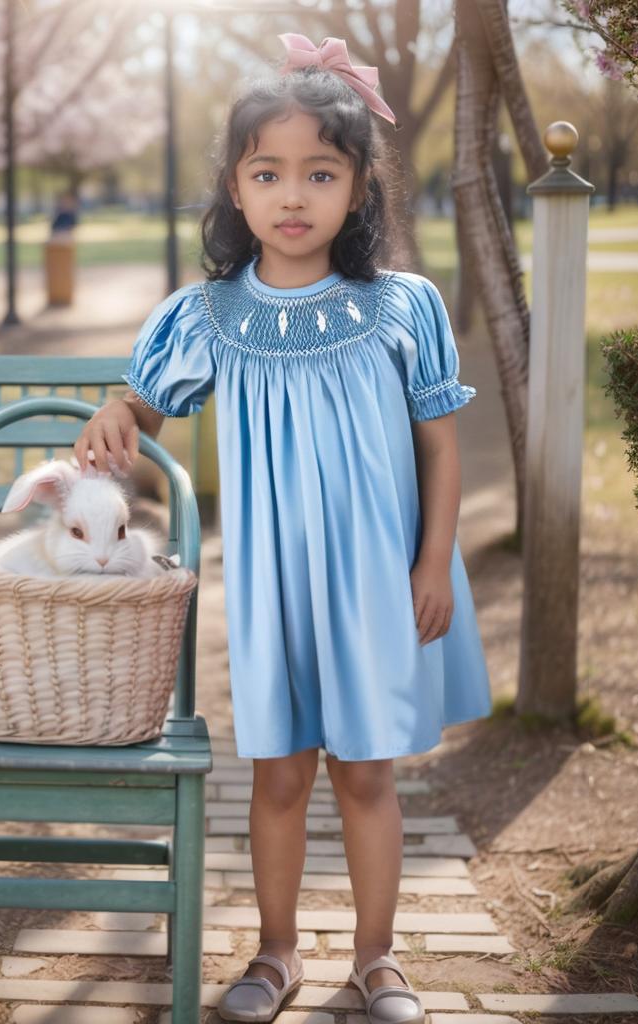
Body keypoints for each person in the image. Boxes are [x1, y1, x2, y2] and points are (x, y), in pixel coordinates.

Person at [73, 31, 492, 1024]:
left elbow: (440, 444)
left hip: (379, 577)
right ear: (235, 186)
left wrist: (432, 559)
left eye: (319, 172)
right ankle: (274, 953)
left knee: (366, 772)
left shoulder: (400, 306)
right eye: (268, 173)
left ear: (358, 188)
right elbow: (148, 406)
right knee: (277, 773)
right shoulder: (209, 315)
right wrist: (114, 410)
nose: (292, 194)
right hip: (271, 582)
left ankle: (378, 959)